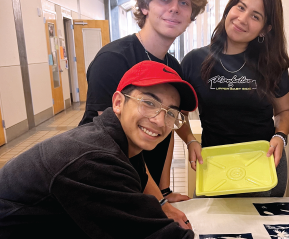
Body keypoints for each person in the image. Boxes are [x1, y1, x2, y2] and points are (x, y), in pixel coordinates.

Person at [0, 61, 198, 238]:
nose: (160, 120)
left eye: (171, 113)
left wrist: (162, 205)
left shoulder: (120, 144)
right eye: (148, 103)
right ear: (118, 103)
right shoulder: (95, 160)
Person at [78, 0, 207, 227]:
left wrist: (164, 189)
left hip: (144, 187)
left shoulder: (173, 67)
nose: (175, 8)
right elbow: (113, 143)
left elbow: (167, 130)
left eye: (184, 2)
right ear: (145, 5)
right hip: (105, 181)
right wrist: (158, 202)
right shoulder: (113, 61)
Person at [178, 0, 289, 197]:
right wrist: (190, 140)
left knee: (261, 230)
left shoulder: (272, 64)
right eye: (240, 7)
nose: (242, 19)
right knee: (209, 229)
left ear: (266, 29)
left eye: (255, 16)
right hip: (215, 163)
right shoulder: (195, 60)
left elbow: (285, 112)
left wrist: (281, 137)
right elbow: (177, 114)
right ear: (229, 8)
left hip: (263, 163)